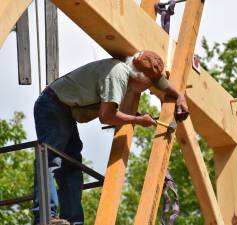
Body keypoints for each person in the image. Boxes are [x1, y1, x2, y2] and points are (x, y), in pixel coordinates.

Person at [32, 50, 188, 225]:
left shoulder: (133, 72)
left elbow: (161, 83)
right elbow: (106, 116)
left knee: (72, 166)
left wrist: (180, 96)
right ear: (140, 77)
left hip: (65, 110)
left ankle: (73, 221)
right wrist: (137, 120)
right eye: (148, 84)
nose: (148, 88)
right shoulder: (118, 75)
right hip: (52, 105)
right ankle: (45, 217)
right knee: (51, 160)